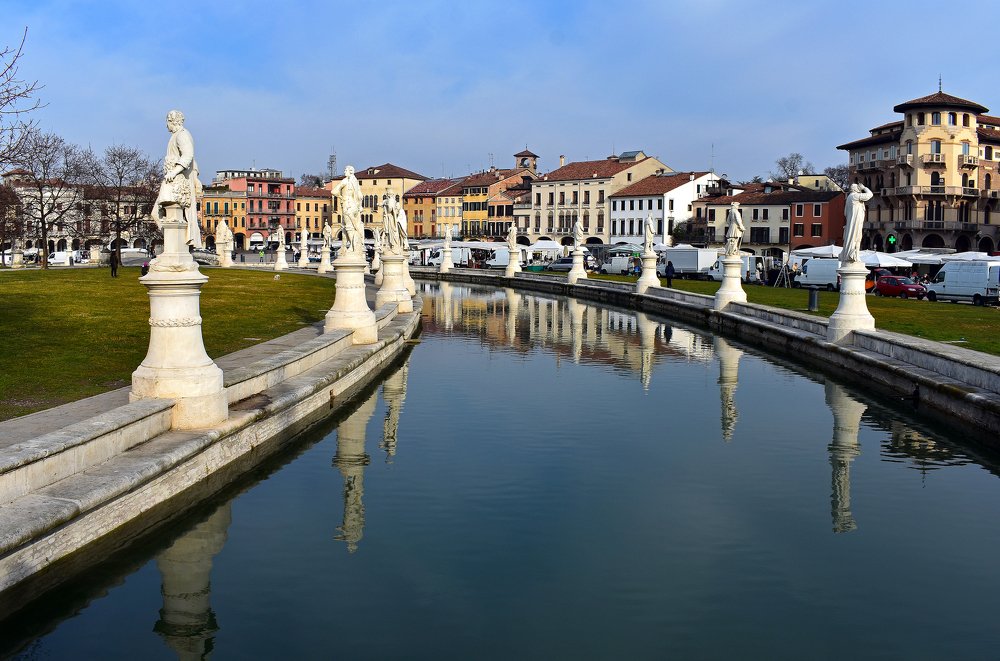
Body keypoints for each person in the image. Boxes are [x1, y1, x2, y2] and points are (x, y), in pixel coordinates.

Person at [152, 110, 203, 248]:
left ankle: (176, 248)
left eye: (167, 122)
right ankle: (173, 246)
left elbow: (188, 156)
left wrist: (173, 172)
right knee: (157, 213)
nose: (166, 125)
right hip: (171, 178)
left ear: (172, 121)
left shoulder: (182, 135)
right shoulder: (176, 136)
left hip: (175, 180)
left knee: (166, 213)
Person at [331, 166, 365, 258]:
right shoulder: (355, 181)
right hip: (355, 206)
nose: (344, 171)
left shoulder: (345, 181)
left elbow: (333, 191)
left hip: (347, 205)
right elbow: (360, 196)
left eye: (345, 170)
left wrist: (341, 197)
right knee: (353, 226)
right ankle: (353, 246)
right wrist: (359, 206)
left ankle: (353, 247)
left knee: (348, 227)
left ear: (350, 171)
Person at [841, 183, 874, 266]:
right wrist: (864, 188)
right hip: (855, 222)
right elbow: (870, 195)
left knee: (857, 238)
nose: (859, 190)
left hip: (852, 222)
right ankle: (853, 255)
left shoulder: (849, 198)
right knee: (856, 238)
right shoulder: (855, 196)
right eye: (858, 189)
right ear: (855, 189)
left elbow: (845, 213)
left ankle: (855, 255)